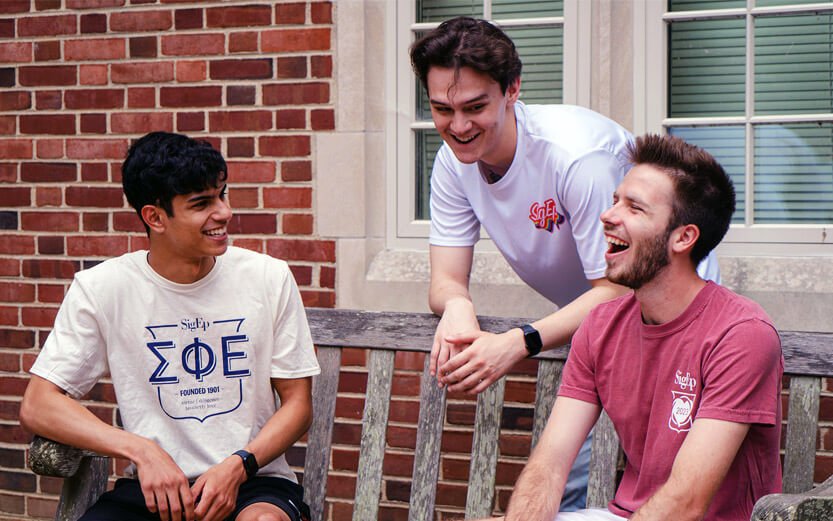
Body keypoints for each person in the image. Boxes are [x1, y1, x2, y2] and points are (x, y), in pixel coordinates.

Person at [409, 16, 721, 510]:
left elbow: (621, 286)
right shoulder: (453, 162)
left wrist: (519, 342)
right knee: (564, 490)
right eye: (442, 109)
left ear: (512, 90)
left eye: (475, 107)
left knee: (668, 490)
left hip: (670, 318)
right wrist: (458, 308)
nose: (459, 126)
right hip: (592, 326)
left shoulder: (577, 158)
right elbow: (445, 279)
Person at [475, 133, 783, 521]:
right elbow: (549, 465)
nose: (608, 215)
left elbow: (684, 503)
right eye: (615, 199)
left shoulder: (741, 334)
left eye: (634, 208)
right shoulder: (600, 326)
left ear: (684, 237)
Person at [20, 132, 320, 521]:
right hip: (156, 491)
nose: (224, 213)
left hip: (253, 482)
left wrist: (238, 465)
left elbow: (298, 404)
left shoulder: (268, 278)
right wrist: (142, 451)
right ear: (155, 217)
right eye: (201, 204)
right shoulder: (102, 289)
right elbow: (38, 404)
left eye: (222, 195)